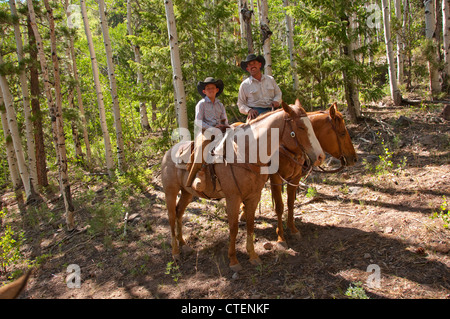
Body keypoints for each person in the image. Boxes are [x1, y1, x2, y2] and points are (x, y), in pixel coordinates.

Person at [186, 77, 229, 191]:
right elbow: (198, 121)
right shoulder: (201, 104)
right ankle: (196, 175)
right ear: (204, 91)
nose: (210, 90)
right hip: (205, 131)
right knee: (203, 146)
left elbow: (224, 119)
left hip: (220, 130)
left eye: (212, 88)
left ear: (216, 90)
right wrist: (212, 128)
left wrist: (225, 126)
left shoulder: (220, 105)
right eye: (208, 88)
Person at [237, 54, 282, 121]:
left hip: (272, 112)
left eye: (254, 63)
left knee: (279, 129)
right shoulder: (244, 85)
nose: (252, 66)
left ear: (259, 65)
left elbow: (278, 93)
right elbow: (240, 104)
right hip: (255, 115)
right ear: (247, 68)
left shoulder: (270, 80)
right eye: (250, 65)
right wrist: (249, 110)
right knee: (252, 130)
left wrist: (276, 101)